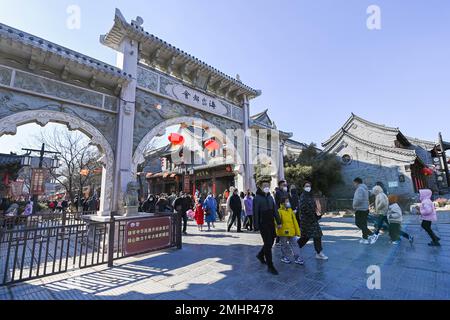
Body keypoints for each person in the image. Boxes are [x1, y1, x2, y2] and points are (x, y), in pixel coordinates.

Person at [253, 177, 282, 275]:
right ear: (260, 187)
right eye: (264, 186)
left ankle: (260, 255)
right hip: (263, 223)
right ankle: (270, 265)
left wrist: (278, 222)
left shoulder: (270, 197)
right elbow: (255, 213)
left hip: (271, 222)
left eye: (268, 186)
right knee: (268, 243)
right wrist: (256, 226)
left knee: (271, 241)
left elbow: (275, 210)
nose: (267, 187)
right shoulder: (257, 198)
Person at [297, 182, 328, 260]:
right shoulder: (303, 196)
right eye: (306, 186)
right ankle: (295, 248)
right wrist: (315, 216)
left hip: (312, 220)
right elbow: (304, 209)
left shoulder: (310, 195)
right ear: (303, 187)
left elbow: (315, 206)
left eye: (309, 186)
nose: (308, 187)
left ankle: (318, 253)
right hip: (307, 221)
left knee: (316, 235)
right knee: (306, 237)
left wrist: (318, 214)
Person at [277, 197, 304, 265]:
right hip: (283, 232)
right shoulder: (279, 211)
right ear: (283, 203)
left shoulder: (290, 211)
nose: (288, 203)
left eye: (288, 201)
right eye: (287, 201)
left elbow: (295, 221)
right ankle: (284, 257)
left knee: (295, 244)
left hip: (291, 231)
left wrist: (297, 231)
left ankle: (297, 258)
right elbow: (277, 222)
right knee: (284, 245)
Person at [352, 177, 373, 244]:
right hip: (365, 208)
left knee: (358, 223)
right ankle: (365, 238)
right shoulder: (364, 188)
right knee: (364, 224)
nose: (354, 184)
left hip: (360, 209)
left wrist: (354, 206)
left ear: (356, 182)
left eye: (354, 183)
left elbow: (359, 199)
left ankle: (371, 234)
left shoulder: (360, 189)